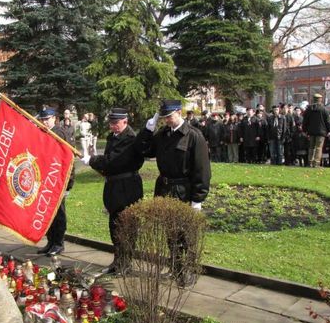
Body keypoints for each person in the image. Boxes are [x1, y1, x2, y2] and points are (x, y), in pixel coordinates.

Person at [136, 100, 211, 286]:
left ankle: (189, 270)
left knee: (186, 234)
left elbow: (202, 170)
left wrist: (197, 200)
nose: (167, 120)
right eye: (164, 118)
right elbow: (144, 150)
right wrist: (147, 131)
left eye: (169, 116)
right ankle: (176, 267)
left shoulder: (193, 136)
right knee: (170, 232)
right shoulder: (163, 134)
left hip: (183, 190)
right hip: (165, 188)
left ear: (179, 112)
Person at [81, 108, 144, 274]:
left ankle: (125, 263)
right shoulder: (113, 137)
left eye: (115, 123)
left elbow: (113, 161)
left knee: (127, 226)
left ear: (125, 121)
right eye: (110, 123)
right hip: (114, 186)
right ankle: (117, 260)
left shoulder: (130, 139)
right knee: (114, 225)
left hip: (127, 187)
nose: (112, 126)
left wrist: (92, 160)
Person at [36, 108, 75, 257]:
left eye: (47, 119)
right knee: (46, 212)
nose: (44, 122)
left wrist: (69, 183)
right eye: (42, 119)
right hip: (45, 179)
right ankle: (50, 241)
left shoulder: (60, 133)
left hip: (58, 179)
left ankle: (58, 243)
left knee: (58, 214)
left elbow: (69, 158)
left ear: (54, 118)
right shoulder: (43, 132)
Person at [302, 93, 330, 167]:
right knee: (319, 147)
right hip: (321, 132)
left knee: (311, 147)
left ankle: (310, 162)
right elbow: (328, 121)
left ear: (313, 99)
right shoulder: (324, 109)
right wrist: (329, 130)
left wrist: (304, 130)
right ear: (320, 100)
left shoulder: (308, 109)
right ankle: (316, 163)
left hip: (311, 132)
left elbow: (305, 121)